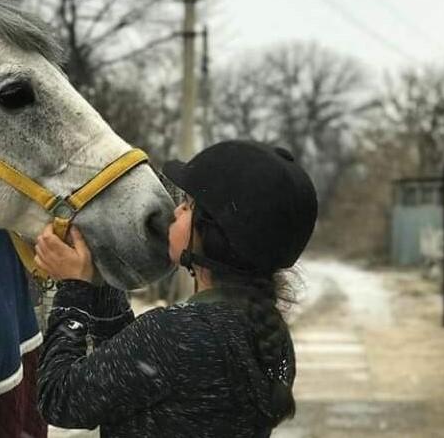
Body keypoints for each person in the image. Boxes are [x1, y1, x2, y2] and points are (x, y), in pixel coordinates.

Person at [34, 140, 318, 438]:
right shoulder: (267, 333)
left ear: (214, 236)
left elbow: (58, 398)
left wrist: (73, 291)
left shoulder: (175, 333)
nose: (178, 209)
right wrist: (102, 281)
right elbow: (130, 372)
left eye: (190, 205)